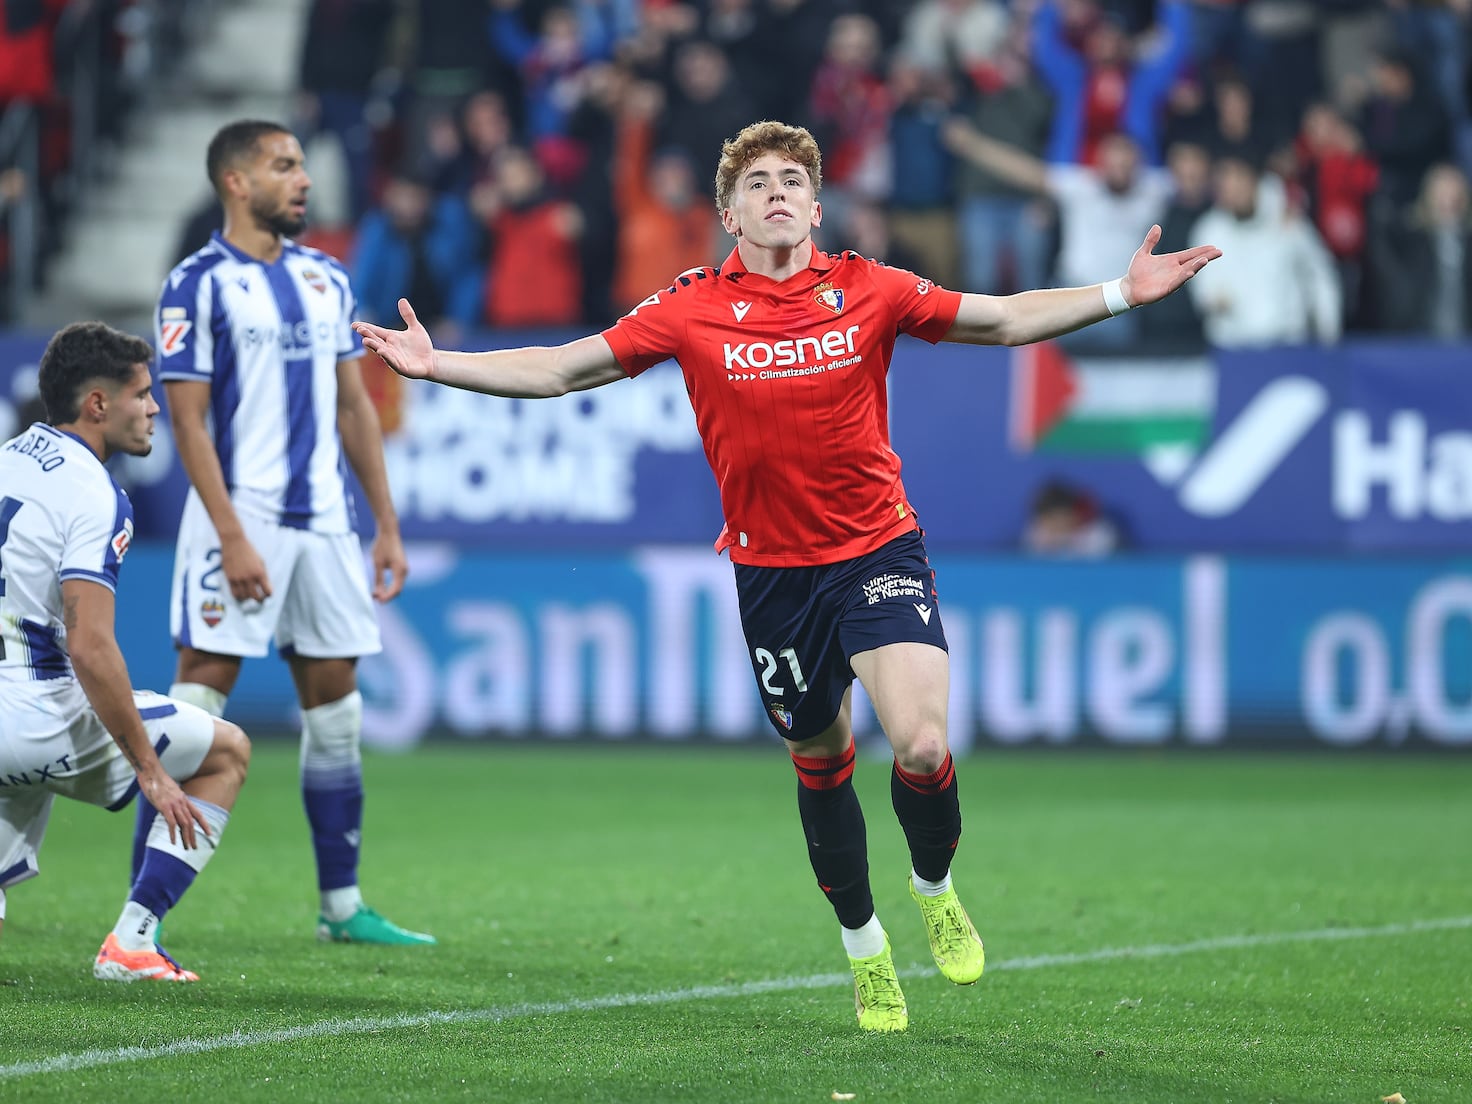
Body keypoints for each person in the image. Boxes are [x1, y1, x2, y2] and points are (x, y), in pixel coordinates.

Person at [354, 120, 1219, 1031]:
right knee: (820, 758)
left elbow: (1001, 320)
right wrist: (438, 364)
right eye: (757, 182)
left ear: (814, 204)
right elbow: (564, 369)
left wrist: (1125, 291)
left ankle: (934, 886)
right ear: (729, 211)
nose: (777, 191)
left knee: (922, 744)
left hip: (878, 547)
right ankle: (864, 947)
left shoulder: (868, 287)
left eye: (792, 181)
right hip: (773, 575)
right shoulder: (687, 307)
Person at [154, 120, 432, 946]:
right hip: (241, 515)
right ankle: (141, 923)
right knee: (199, 702)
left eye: (304, 163)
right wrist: (231, 532)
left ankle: (341, 907)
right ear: (236, 183)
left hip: (326, 525)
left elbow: (355, 407)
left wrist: (383, 524)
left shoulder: (327, 279)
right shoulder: (198, 282)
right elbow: (189, 423)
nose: (303, 179)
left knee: (337, 712)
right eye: (284, 166)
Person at [0, 321, 250, 981]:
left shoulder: (8, 458)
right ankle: (134, 941)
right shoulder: (92, 493)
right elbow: (89, 643)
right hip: (35, 715)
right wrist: (148, 766)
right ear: (97, 405)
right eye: (141, 394)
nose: (154, 409)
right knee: (227, 751)